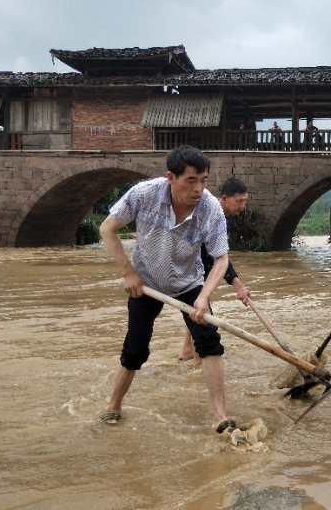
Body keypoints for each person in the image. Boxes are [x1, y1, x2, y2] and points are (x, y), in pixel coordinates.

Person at [97, 146, 236, 433]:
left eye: (204, 180)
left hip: (189, 283)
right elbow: (107, 229)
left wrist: (204, 296)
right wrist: (128, 273)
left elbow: (221, 258)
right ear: (170, 177)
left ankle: (220, 416)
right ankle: (113, 406)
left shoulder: (210, 209)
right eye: (191, 180)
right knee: (135, 349)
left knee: (209, 343)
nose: (199, 188)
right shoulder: (144, 194)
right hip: (146, 283)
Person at [178, 177, 252, 362]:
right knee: (202, 318)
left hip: (197, 266)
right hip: (185, 267)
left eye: (245, 201)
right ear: (224, 198)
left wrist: (237, 285)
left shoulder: (222, 216)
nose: (243, 206)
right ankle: (198, 362)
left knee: (197, 306)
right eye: (239, 201)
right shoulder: (211, 213)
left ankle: (187, 350)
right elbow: (216, 256)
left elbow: (220, 255)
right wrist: (237, 284)